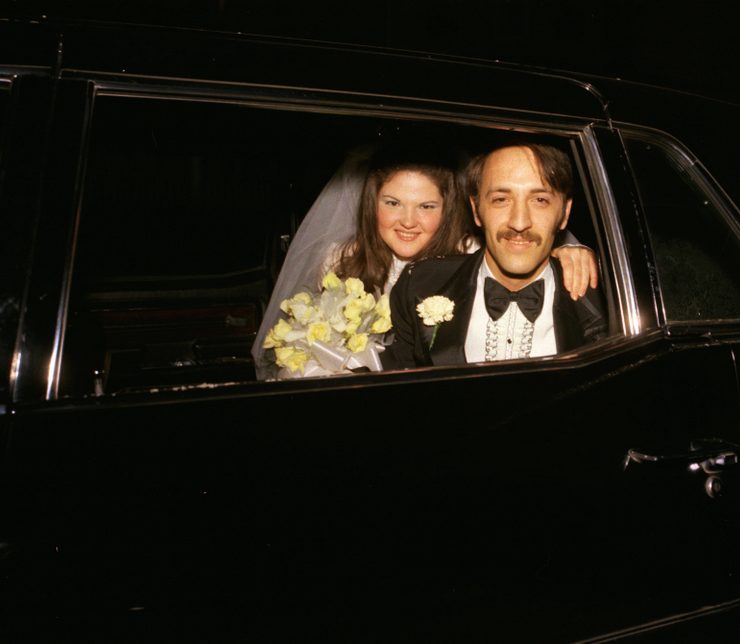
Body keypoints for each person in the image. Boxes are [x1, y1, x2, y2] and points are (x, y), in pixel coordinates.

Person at [252, 141, 599, 379]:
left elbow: (521, 243)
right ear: (372, 204)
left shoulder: (470, 252)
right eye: (392, 203)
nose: (408, 221)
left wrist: (567, 249)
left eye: (427, 206)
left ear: (449, 210)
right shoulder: (342, 260)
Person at [380, 142, 607, 370]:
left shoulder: (606, 302)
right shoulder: (418, 286)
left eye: (540, 200)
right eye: (501, 199)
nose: (519, 222)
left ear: (565, 213)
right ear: (476, 210)